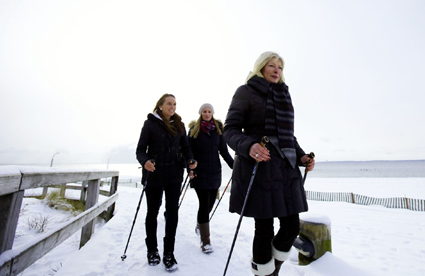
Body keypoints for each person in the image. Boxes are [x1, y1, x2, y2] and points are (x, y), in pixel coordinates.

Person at [223, 52, 315, 276]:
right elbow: (230, 130)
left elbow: (287, 135)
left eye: (280, 67)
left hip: (285, 168)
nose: (277, 70)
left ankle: (271, 270)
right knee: (264, 229)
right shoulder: (245, 91)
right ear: (261, 67)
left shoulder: (284, 94)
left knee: (292, 226)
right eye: (272, 65)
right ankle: (265, 274)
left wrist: (302, 157)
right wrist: (249, 146)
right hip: (259, 167)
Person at [136, 93, 197, 272]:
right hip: (153, 175)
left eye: (175, 104)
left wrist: (191, 161)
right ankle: (152, 250)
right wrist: (145, 161)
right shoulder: (150, 124)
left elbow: (186, 148)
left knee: (172, 213)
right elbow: (140, 150)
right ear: (160, 106)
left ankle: (168, 253)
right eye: (169, 104)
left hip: (174, 175)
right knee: (152, 212)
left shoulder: (179, 125)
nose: (172, 107)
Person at [187, 103, 234, 254]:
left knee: (211, 203)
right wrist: (190, 168)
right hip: (199, 173)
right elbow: (189, 152)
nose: (207, 114)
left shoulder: (218, 130)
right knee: (204, 203)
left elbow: (224, 151)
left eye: (209, 111)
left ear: (212, 113)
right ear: (200, 113)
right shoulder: (194, 130)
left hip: (214, 173)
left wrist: (235, 166)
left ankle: (200, 225)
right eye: (204, 111)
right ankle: (205, 241)